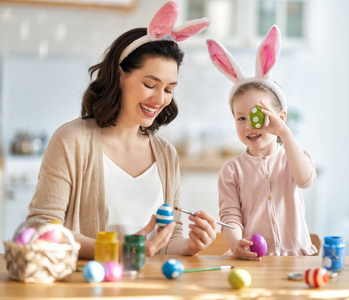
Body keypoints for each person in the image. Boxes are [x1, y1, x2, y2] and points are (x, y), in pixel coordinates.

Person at [26, 1, 218, 259]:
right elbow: (41, 228)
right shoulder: (72, 141)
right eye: (150, 84)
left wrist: (190, 245)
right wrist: (118, 251)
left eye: (169, 89)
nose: (160, 99)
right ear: (119, 76)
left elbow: (165, 240)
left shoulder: (166, 155)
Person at [206, 25, 317, 260]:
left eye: (258, 116)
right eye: (241, 118)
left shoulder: (293, 157)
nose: (249, 126)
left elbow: (305, 180)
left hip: (294, 261)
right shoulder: (232, 171)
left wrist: (284, 134)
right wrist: (236, 243)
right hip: (253, 260)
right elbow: (230, 216)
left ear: (281, 118)